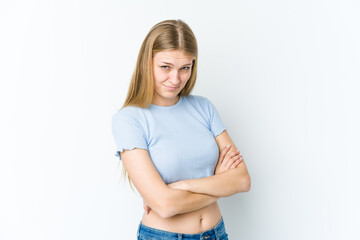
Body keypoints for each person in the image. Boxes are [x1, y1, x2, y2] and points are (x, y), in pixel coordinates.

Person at [111, 19, 251, 240]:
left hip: (217, 233)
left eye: (185, 68)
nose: (175, 79)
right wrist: (219, 184)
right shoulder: (129, 119)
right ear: (147, 63)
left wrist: (180, 187)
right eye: (165, 67)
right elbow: (165, 206)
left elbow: (242, 180)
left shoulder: (204, 107)